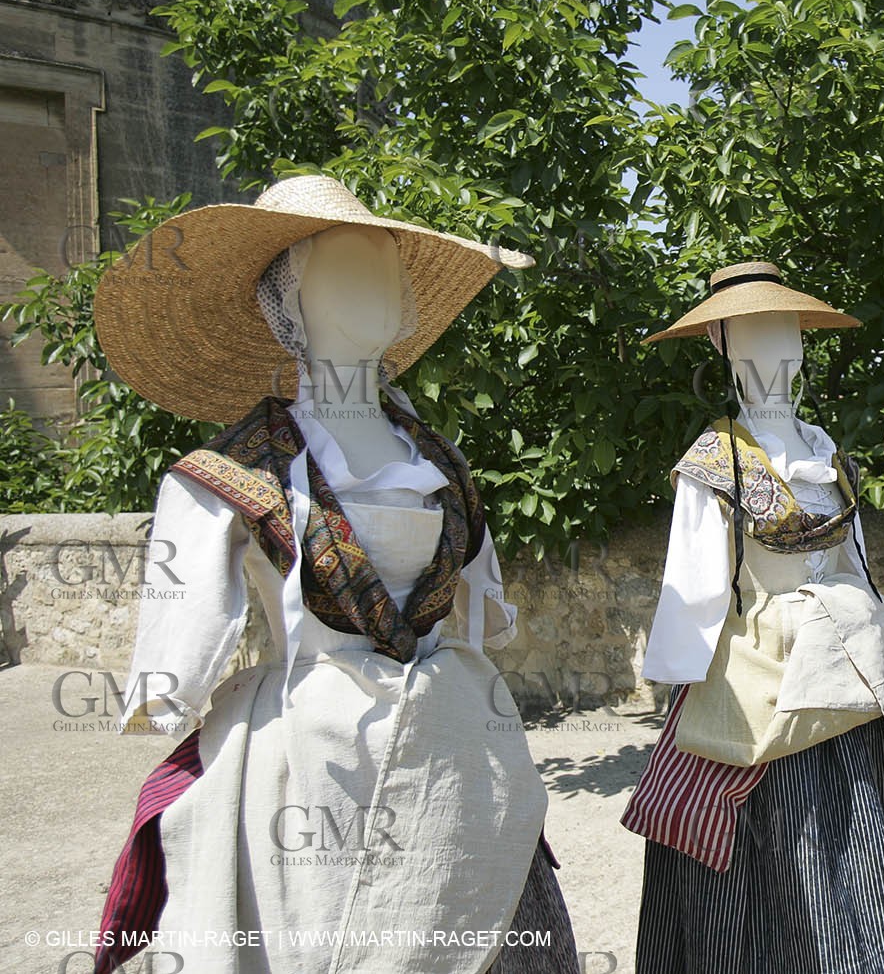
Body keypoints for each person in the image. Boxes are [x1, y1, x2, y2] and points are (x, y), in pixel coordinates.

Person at [90, 174, 577, 974]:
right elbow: (174, 658)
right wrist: (165, 686)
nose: (379, 288)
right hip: (311, 756)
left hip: (454, 742)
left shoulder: (440, 460)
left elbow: (480, 616)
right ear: (290, 302)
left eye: (387, 268)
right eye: (346, 269)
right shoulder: (226, 472)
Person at [622, 261, 884, 973]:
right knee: (776, 847)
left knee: (856, 834)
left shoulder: (826, 451)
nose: (776, 348)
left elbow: (853, 563)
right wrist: (685, 693)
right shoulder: (712, 462)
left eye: (786, 330)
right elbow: (692, 592)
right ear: (723, 345)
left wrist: (874, 635)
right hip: (760, 684)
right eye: (756, 333)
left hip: (844, 684)